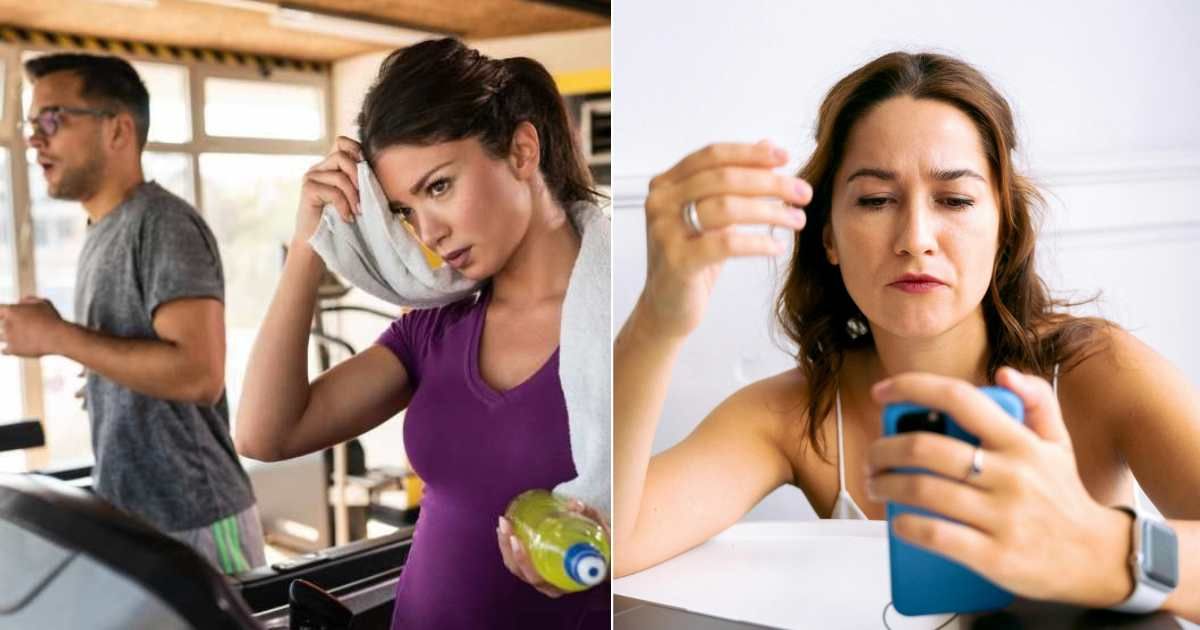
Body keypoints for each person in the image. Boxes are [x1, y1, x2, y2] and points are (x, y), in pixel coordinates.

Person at [613, 51, 1200, 620]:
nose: (916, 237)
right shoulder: (794, 415)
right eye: (875, 200)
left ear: (1004, 227)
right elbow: (617, 539)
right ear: (829, 238)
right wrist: (659, 321)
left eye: (956, 199)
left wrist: (1099, 546)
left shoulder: (1097, 370)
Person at [236, 38, 610, 630]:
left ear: (521, 150)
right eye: (405, 211)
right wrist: (311, 244)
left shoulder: (624, 322)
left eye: (438, 187)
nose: (428, 232)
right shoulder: (434, 330)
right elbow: (265, 433)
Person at [0, 53, 264, 575]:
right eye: (32, 123)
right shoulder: (103, 230)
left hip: (196, 517)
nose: (34, 139)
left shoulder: (161, 224)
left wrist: (60, 336)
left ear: (118, 129)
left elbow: (199, 374)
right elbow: (140, 359)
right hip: (136, 514)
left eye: (52, 119)